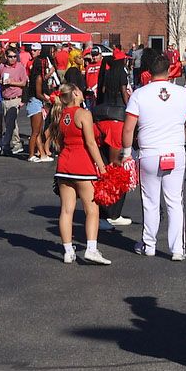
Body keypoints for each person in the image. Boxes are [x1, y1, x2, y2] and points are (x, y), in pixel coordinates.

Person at [122, 55, 186, 260]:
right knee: (174, 201)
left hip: (149, 152)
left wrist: (127, 153)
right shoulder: (182, 92)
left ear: (149, 70)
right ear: (169, 69)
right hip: (175, 150)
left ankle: (149, 244)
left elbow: (129, 128)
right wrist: (180, 142)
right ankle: (177, 249)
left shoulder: (139, 94)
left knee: (150, 202)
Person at [52, 83, 110, 265]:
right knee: (92, 209)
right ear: (76, 93)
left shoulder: (60, 114)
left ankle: (68, 251)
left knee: (66, 210)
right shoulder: (84, 114)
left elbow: (59, 141)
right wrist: (102, 167)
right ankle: (91, 249)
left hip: (64, 165)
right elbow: (91, 144)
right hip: (82, 165)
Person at [92, 57, 134, 228]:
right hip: (117, 123)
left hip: (101, 120)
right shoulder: (121, 73)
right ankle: (112, 213)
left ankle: (102, 214)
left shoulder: (107, 73)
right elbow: (124, 93)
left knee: (102, 168)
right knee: (116, 169)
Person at [0, 47, 28, 155]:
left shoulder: (20, 67)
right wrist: (0, 81)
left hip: (15, 98)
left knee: (10, 122)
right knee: (11, 123)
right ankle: (16, 144)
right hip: (5, 99)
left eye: (14, 56)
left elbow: (24, 83)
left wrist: (12, 82)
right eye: (10, 56)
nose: (12, 59)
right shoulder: (2, 66)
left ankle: (7, 145)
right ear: (6, 57)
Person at [26, 53, 56, 163]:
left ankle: (42, 154)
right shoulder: (38, 77)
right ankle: (31, 155)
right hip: (35, 103)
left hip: (36, 103)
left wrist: (50, 73)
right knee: (35, 132)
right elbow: (38, 94)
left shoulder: (37, 76)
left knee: (37, 131)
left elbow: (43, 80)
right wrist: (48, 99)